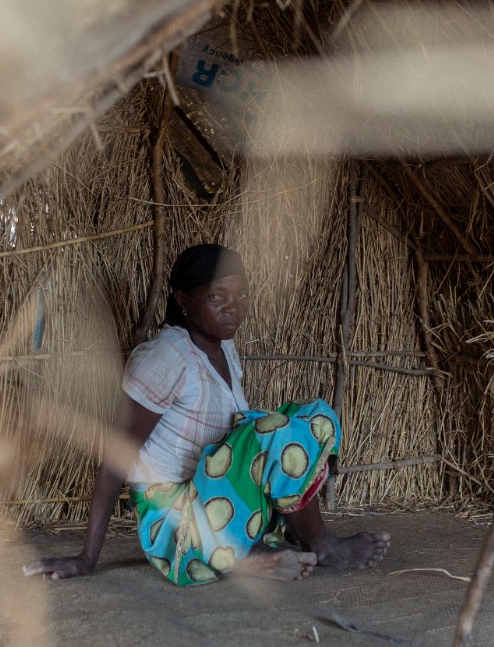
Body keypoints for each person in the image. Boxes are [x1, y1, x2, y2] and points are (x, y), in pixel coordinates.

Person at [24, 244, 389, 585]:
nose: (233, 307)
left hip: (221, 499)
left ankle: (251, 550)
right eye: (217, 297)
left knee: (316, 417)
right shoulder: (165, 359)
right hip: (180, 528)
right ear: (183, 300)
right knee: (274, 430)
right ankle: (318, 544)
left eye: (241, 294)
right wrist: (87, 558)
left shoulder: (223, 345)